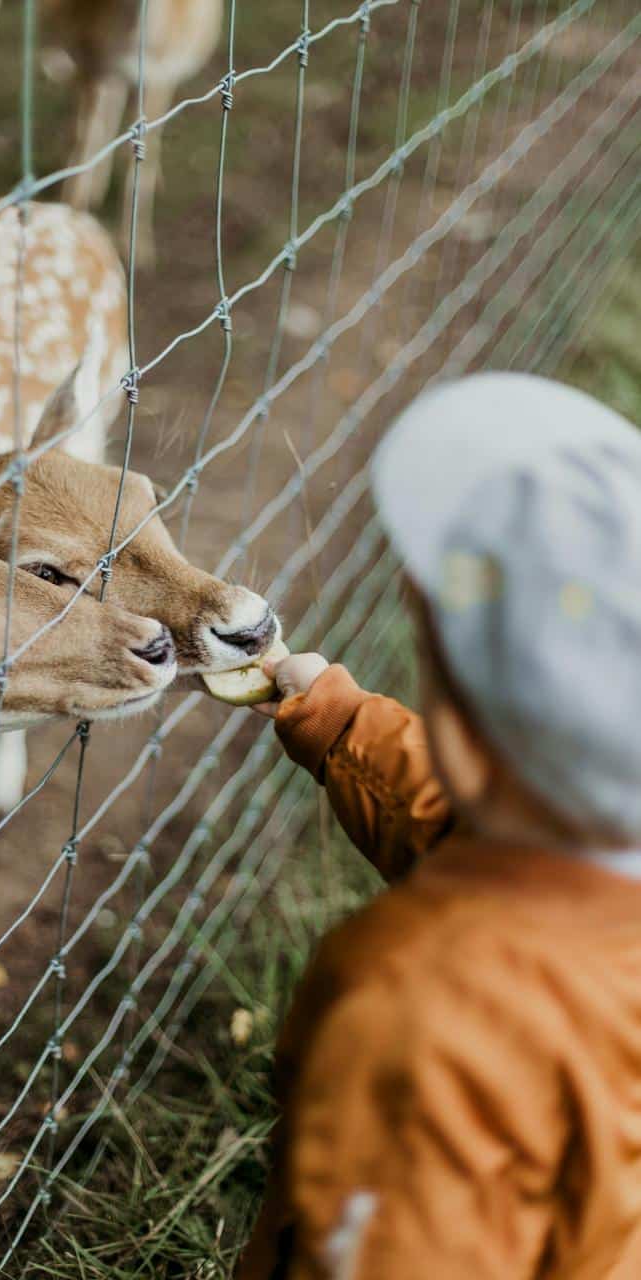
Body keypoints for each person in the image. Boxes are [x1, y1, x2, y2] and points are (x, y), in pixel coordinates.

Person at [237, 372, 641, 1280]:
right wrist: (340, 724)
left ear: (459, 721)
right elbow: (484, 844)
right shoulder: (598, 881)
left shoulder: (429, 1017)